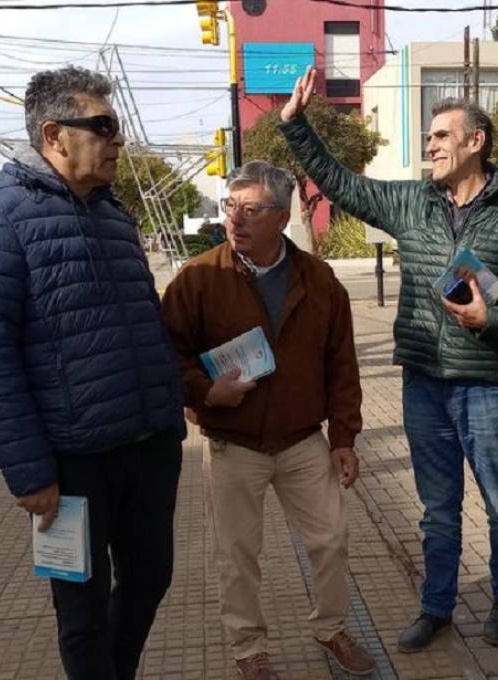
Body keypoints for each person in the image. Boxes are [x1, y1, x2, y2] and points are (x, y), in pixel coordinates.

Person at [279, 67, 498, 651]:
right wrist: (296, 125)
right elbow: (341, 183)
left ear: (475, 141)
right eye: (429, 138)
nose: (429, 146)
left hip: (487, 384)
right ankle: (436, 607)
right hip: (424, 384)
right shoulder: (411, 202)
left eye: (440, 136)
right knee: (438, 510)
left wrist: (496, 318)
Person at [0, 66, 185, 680]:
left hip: (149, 445)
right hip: (71, 462)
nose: (117, 141)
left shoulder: (114, 213)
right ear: (54, 134)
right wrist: (28, 473)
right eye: (104, 126)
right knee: (80, 610)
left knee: (151, 579)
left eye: (118, 128)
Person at [162, 160, 374, 680]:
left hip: (304, 441)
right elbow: (167, 355)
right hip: (234, 444)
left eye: (251, 209)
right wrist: (207, 392)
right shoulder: (199, 278)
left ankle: (330, 628)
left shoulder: (319, 280)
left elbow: (341, 365)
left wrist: (343, 437)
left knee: (330, 539)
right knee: (238, 556)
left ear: (282, 217)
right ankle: (248, 650)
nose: (235, 219)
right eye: (231, 206)